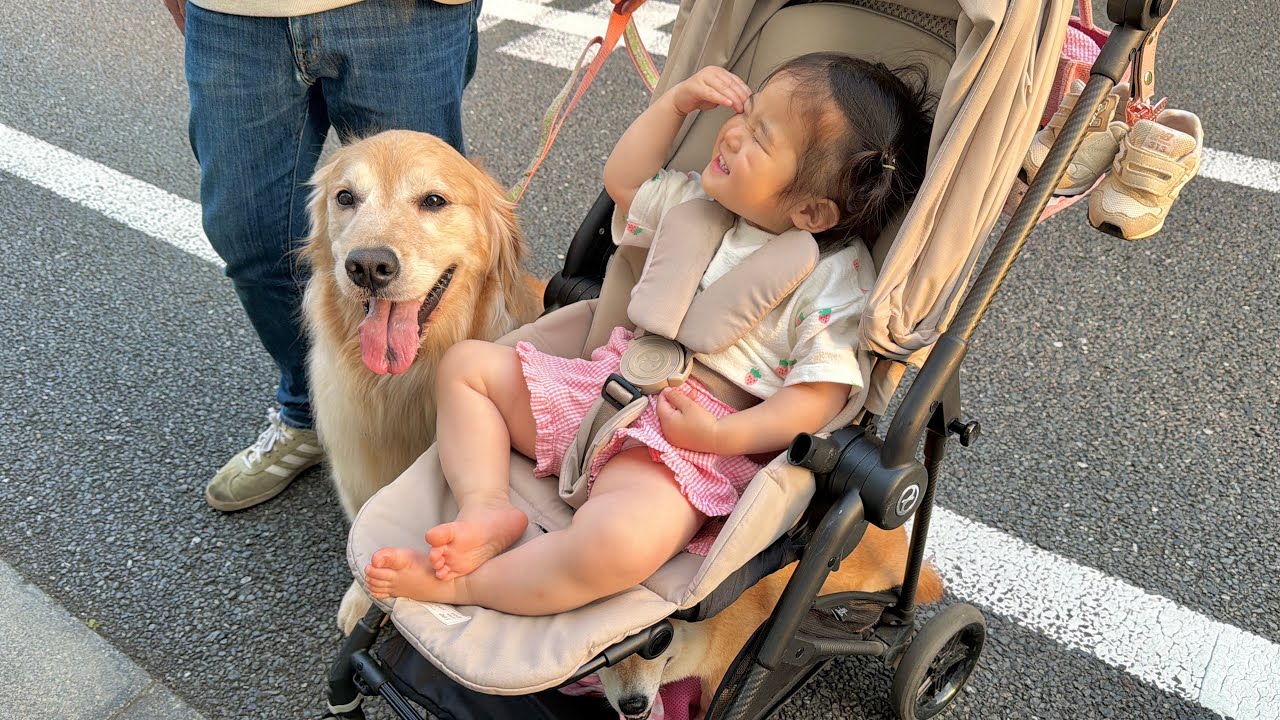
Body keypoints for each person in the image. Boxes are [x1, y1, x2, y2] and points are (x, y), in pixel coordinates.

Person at [363, 53, 933, 615]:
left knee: (617, 545)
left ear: (812, 212)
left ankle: (468, 588)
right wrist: (676, 104)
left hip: (686, 450)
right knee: (466, 367)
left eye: (760, 136)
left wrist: (722, 435)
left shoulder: (834, 279)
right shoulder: (698, 203)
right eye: (747, 111)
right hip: (607, 385)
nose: (733, 132)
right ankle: (486, 505)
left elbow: (819, 397)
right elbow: (624, 181)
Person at [161, 0, 482, 511]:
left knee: (427, 242)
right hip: (235, 12)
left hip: (408, 12)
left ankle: (459, 427)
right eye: (346, 200)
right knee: (251, 239)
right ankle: (309, 411)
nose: (368, 260)